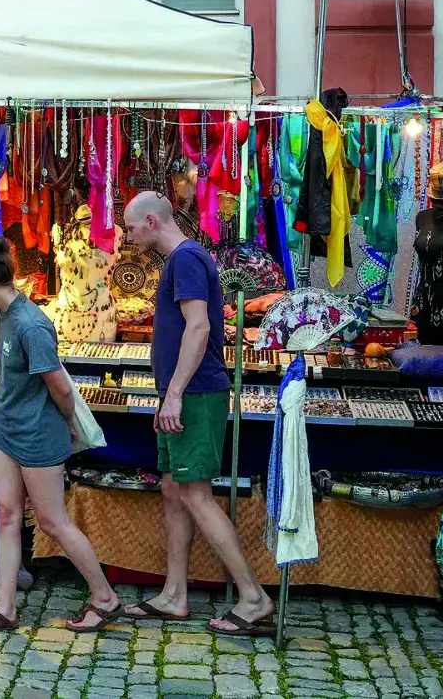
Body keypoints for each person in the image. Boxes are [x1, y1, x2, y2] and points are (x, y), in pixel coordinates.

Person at [119, 190, 273, 635]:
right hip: (184, 392)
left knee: (195, 494)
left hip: (196, 393)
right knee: (173, 488)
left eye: (130, 228)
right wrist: (169, 391)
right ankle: (174, 594)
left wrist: (175, 395)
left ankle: (252, 596)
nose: (128, 237)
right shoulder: (183, 258)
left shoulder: (186, 259)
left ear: (151, 221)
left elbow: (200, 326)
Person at [0, 236, 123, 634]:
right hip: (8, 432)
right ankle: (5, 607)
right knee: (7, 515)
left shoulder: (31, 325)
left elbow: (61, 387)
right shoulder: (2, 312)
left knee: (52, 521)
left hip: (37, 434)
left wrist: (68, 423)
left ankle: (105, 598)